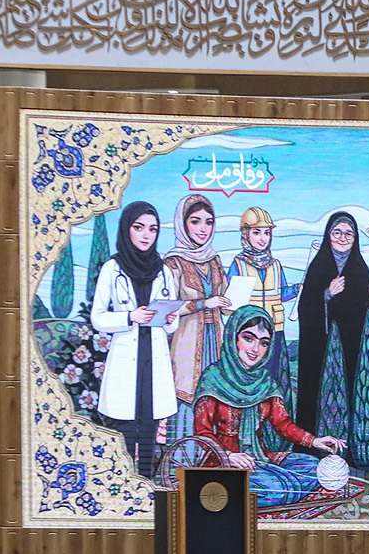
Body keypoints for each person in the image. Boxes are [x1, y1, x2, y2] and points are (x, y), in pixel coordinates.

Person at [193, 306, 346, 504]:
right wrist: (229, 455)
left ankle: (275, 488)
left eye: (263, 343)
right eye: (248, 338)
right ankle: (269, 490)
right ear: (233, 338)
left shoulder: (265, 381)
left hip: (260, 457)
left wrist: (315, 441)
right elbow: (202, 433)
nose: (255, 349)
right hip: (222, 462)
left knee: (312, 466)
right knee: (275, 490)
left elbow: (282, 424)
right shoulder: (213, 378)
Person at [91, 201, 179, 479]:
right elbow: (97, 318)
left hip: (153, 358)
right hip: (127, 357)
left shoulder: (163, 270)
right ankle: (127, 483)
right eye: (139, 227)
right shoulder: (112, 268)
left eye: (152, 229)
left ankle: (147, 483)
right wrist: (130, 317)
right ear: (126, 229)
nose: (146, 235)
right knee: (127, 426)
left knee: (151, 424)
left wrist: (169, 318)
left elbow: (173, 320)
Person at [296, 211, 369, 440]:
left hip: (351, 347)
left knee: (351, 392)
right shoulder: (318, 267)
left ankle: (349, 448)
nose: (342, 238)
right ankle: (312, 443)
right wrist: (326, 294)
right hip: (320, 347)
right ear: (328, 235)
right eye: (337, 233)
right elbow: (305, 307)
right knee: (316, 392)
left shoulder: (360, 270)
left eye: (348, 234)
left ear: (355, 238)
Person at [163, 194, 231, 442]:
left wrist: (230, 301)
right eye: (195, 221)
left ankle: (212, 457)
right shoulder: (173, 262)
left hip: (216, 340)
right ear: (183, 224)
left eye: (209, 222)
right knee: (186, 398)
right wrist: (203, 303)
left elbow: (224, 295)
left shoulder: (214, 260)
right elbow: (165, 308)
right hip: (187, 343)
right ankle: (181, 458)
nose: (203, 229)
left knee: (215, 398)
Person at [224, 206, 298, 394]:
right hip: (249, 333)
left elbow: (281, 293)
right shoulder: (239, 264)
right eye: (256, 232)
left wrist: (297, 289)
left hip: (274, 331)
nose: (262, 238)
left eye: (267, 233)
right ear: (246, 234)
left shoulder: (275, 264)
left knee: (274, 377)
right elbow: (229, 303)